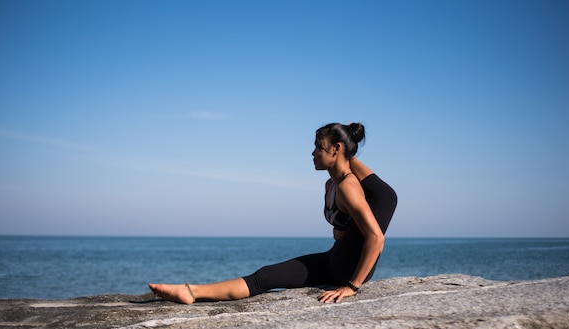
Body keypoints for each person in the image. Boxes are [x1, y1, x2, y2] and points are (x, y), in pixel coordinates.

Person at [149, 122, 397, 304]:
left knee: (386, 196)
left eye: (318, 147)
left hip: (345, 271)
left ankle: (191, 292)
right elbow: (343, 231)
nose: (313, 153)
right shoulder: (330, 184)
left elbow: (376, 239)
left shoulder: (348, 186)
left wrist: (352, 287)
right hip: (333, 259)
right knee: (265, 276)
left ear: (336, 149)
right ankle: (190, 291)